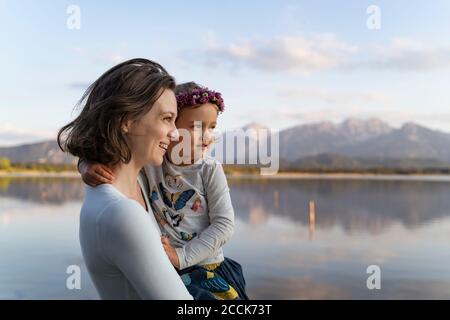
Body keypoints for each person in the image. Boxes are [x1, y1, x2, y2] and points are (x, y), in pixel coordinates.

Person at [79, 82, 249, 300]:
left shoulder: (209, 170)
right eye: (196, 127)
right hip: (171, 268)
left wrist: (181, 257)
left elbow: (224, 224)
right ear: (172, 127)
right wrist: (85, 165)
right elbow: (120, 157)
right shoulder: (153, 163)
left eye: (212, 127)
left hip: (207, 268)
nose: (207, 136)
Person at [58, 58, 192, 300]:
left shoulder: (130, 185)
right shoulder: (121, 212)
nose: (175, 134)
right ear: (126, 121)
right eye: (166, 119)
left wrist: (85, 163)